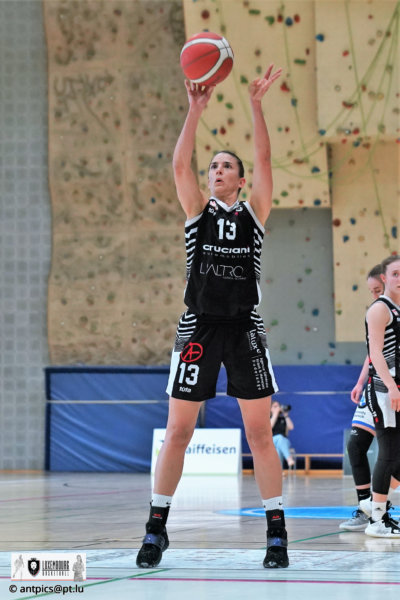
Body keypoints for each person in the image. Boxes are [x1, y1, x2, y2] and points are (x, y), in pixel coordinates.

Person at [136, 64, 289, 569]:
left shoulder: (254, 214)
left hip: (245, 329)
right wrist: (194, 109)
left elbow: (264, 158)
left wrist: (256, 105)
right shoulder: (197, 213)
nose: (216, 171)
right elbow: (179, 165)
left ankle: (276, 534)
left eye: (226, 167)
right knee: (178, 432)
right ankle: (156, 529)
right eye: (213, 167)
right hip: (198, 326)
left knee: (260, 434)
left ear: (241, 180)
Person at [358, 255, 400, 537]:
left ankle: (374, 504)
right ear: (384, 278)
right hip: (385, 391)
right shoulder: (379, 309)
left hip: (396, 389)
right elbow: (375, 353)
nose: (399, 278)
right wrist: (392, 386)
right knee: (388, 452)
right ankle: (377, 519)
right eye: (395, 273)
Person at [270, 400, 295, 468]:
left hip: (283, 441)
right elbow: (269, 427)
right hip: (271, 441)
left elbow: (291, 427)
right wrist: (275, 414)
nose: (278, 408)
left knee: (279, 447)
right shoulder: (268, 418)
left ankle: (278, 471)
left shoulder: (283, 419)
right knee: (279, 438)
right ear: (270, 409)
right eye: (275, 406)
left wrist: (286, 416)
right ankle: (289, 459)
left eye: (278, 406)